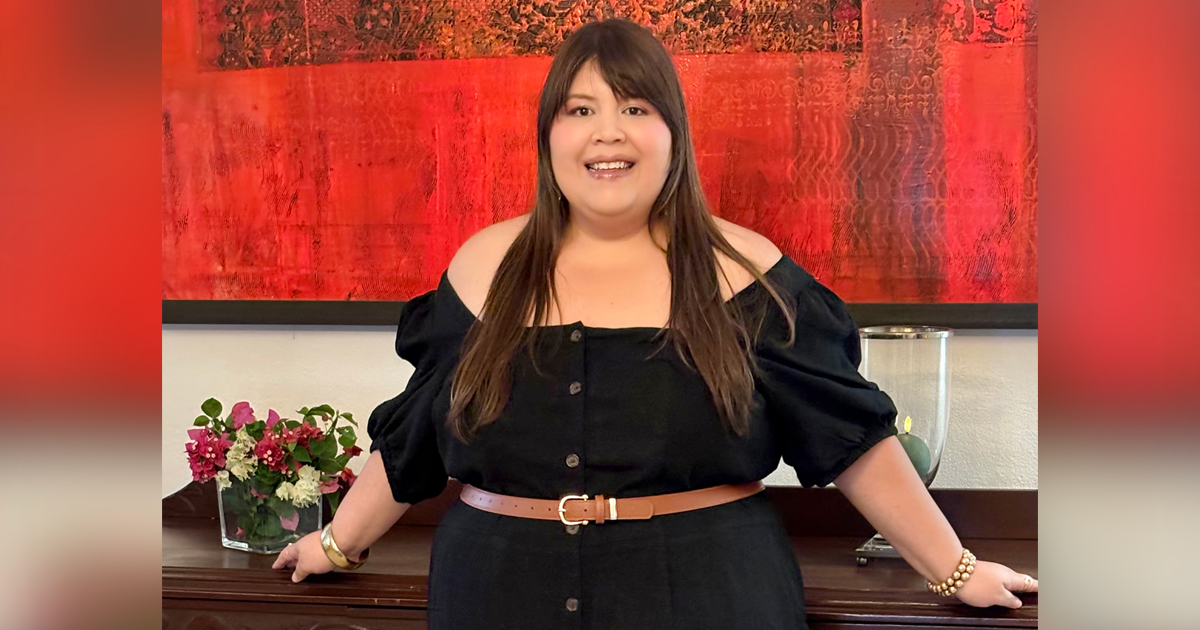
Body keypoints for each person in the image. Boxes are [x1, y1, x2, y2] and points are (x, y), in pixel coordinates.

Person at [273, 18, 1037, 629]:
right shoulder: (480, 268)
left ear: (673, 132)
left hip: (711, 595)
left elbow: (854, 441)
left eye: (635, 109)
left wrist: (956, 571)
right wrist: (336, 544)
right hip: (494, 592)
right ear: (549, 135)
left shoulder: (749, 273)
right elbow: (413, 438)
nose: (607, 132)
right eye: (580, 110)